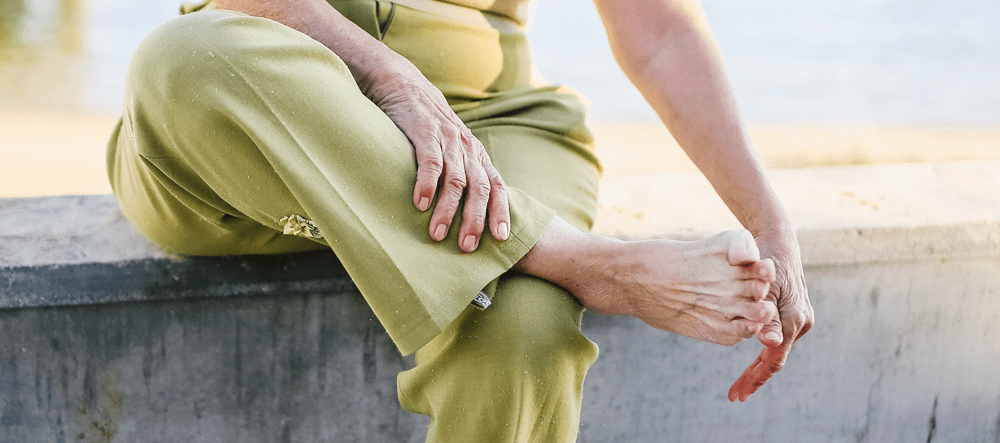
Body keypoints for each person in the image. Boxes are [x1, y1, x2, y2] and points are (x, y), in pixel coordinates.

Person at [107, 0, 814, 440]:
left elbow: (660, 31)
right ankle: (582, 261)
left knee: (524, 333)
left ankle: (528, 252)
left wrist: (769, 219)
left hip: (490, 126)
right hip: (264, 122)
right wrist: (389, 77)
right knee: (181, 59)